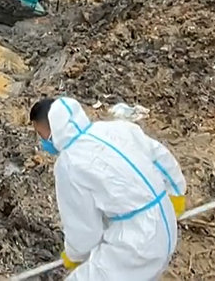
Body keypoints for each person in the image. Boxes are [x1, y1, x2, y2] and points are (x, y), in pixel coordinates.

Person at [29, 96, 187, 280]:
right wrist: (176, 193)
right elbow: (161, 158)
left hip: (137, 244)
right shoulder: (116, 128)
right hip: (166, 222)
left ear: (52, 130)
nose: (43, 142)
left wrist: (74, 254)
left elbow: (85, 230)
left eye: (41, 135)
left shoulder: (69, 164)